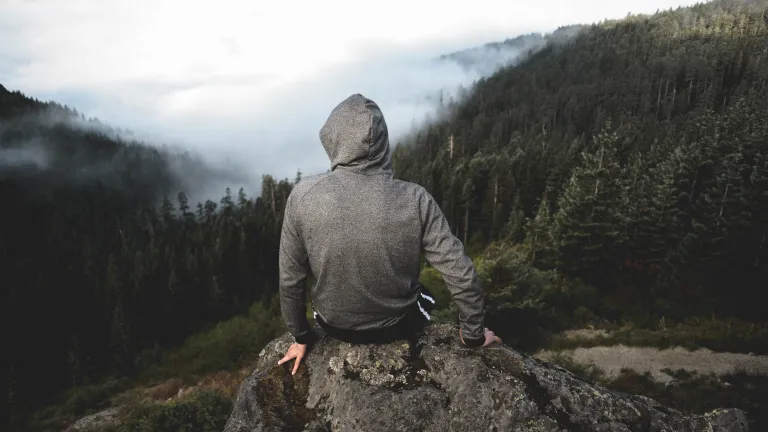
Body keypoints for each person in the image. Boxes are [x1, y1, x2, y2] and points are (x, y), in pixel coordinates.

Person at [277, 94, 501, 375]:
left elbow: (290, 279)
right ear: (383, 142)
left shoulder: (303, 196)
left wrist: (300, 336)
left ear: (332, 139)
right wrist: (473, 335)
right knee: (425, 296)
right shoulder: (416, 199)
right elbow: (461, 273)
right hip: (400, 326)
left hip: (332, 326)